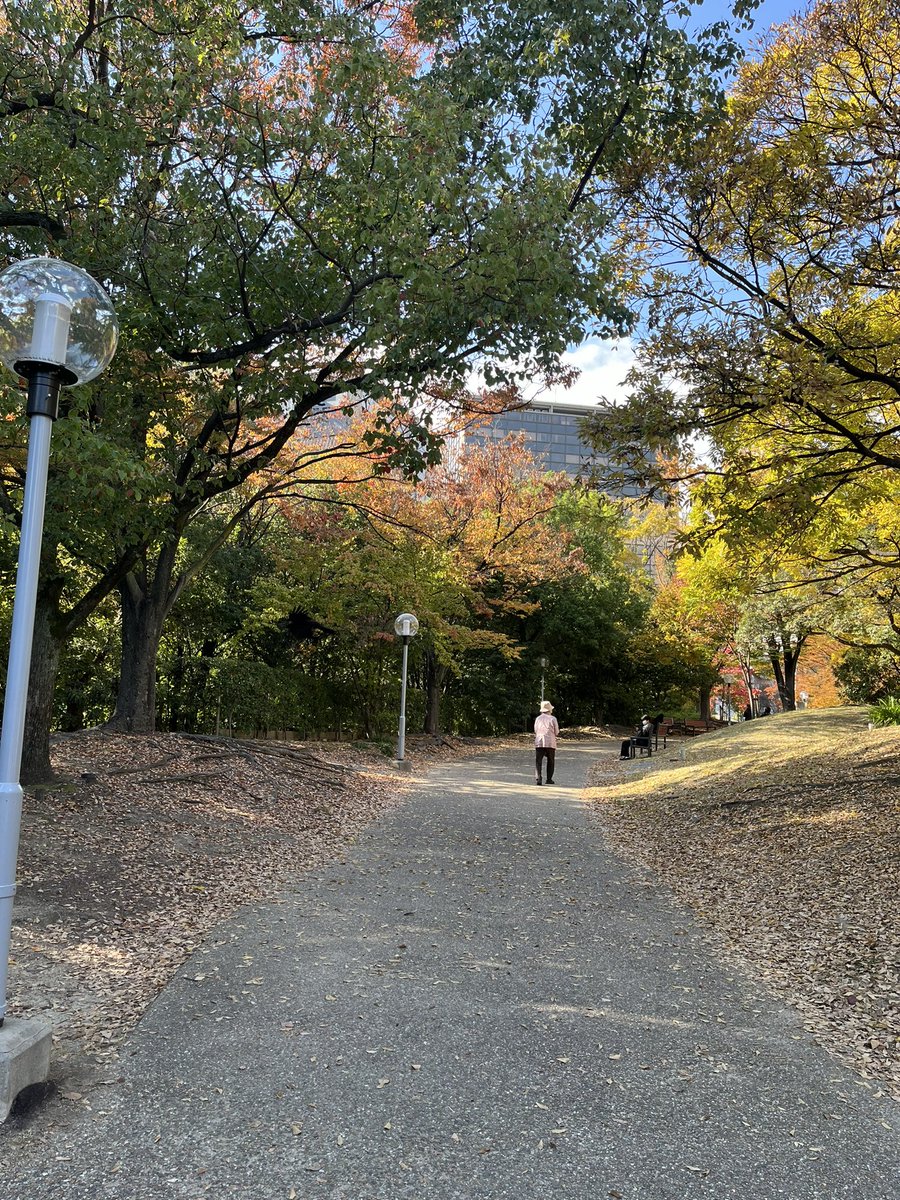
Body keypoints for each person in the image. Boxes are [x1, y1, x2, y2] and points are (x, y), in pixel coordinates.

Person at [534, 700, 559, 784]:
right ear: (550, 710)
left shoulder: (538, 719)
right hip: (550, 742)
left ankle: (538, 778)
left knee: (538, 761)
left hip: (539, 741)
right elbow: (557, 732)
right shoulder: (553, 719)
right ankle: (549, 779)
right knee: (551, 761)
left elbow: (535, 730)